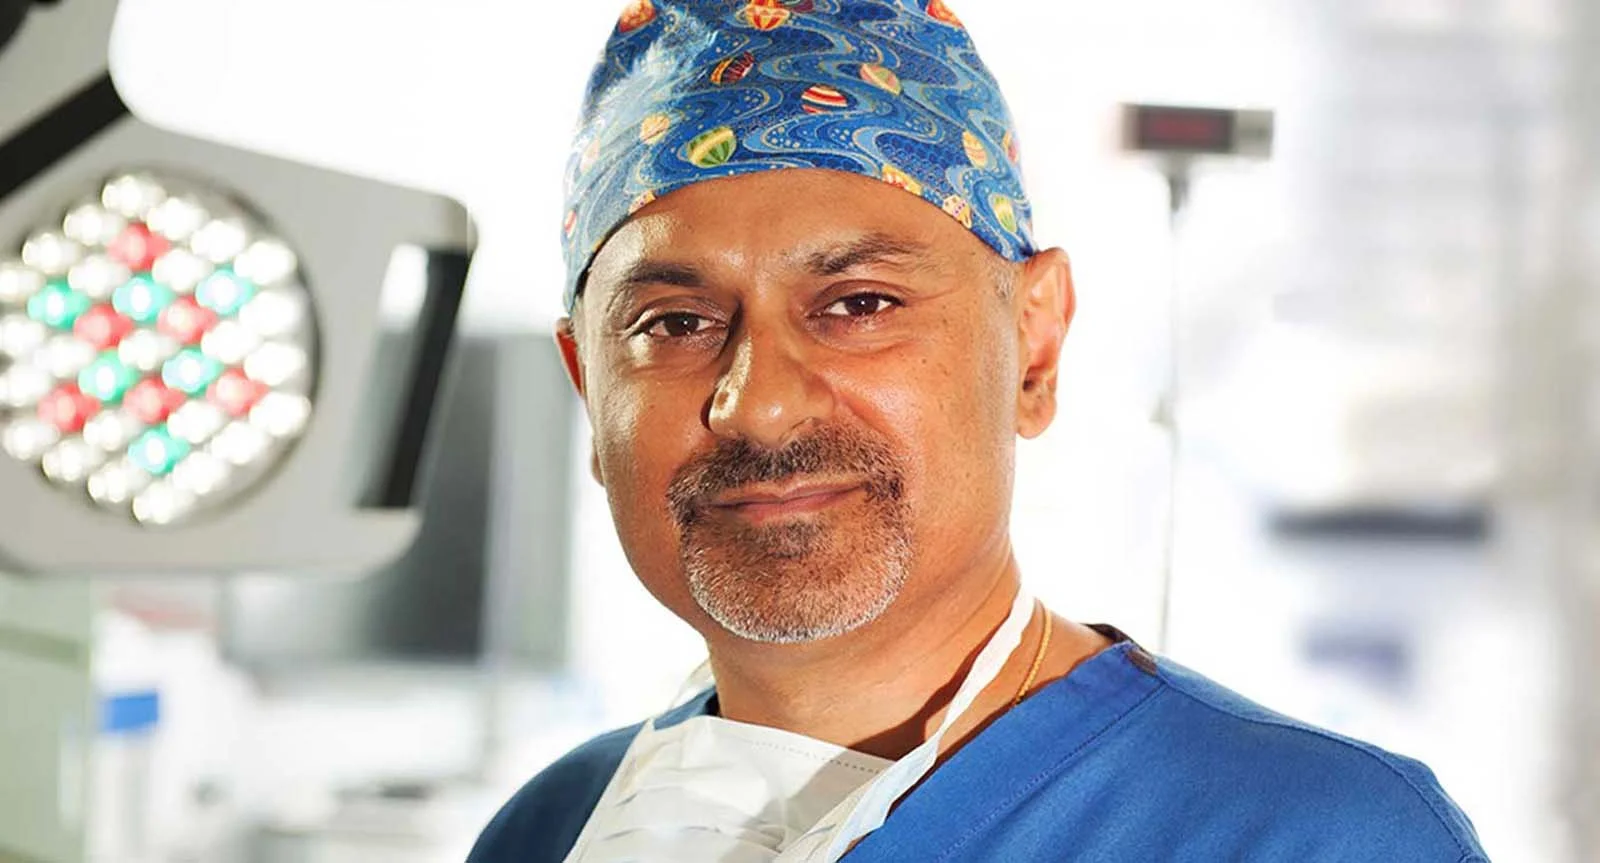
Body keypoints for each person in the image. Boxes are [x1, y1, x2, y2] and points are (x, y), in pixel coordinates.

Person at [470, 1, 1489, 859]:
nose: (759, 402)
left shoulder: (1307, 835)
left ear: (1033, 349)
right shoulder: (548, 827)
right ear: (587, 388)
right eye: (675, 324)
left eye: (859, 303)